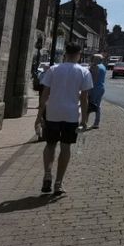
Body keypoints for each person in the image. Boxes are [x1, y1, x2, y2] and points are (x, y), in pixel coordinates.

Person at [36, 43, 92, 195]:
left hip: (53, 113)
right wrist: (84, 120)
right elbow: (85, 98)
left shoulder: (54, 70)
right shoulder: (84, 72)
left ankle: (47, 173)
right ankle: (58, 183)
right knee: (65, 147)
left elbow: (44, 94)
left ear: (65, 54)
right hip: (71, 114)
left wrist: (39, 115)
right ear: (79, 54)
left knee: (50, 145)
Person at [87, 53, 107, 129]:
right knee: (98, 106)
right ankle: (96, 123)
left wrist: (89, 90)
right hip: (101, 88)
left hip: (94, 89)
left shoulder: (96, 67)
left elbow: (93, 80)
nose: (92, 60)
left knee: (89, 106)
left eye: (94, 58)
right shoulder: (103, 67)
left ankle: (84, 122)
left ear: (98, 60)